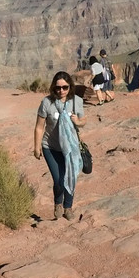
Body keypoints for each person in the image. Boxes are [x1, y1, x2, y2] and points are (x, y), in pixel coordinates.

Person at [33, 71, 85, 220]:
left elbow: (84, 120)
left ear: (70, 87)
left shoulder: (76, 101)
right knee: (59, 179)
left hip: (70, 148)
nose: (61, 91)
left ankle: (68, 207)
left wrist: (78, 121)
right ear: (53, 88)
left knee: (71, 177)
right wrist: (36, 147)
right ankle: (58, 204)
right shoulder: (46, 103)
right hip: (50, 146)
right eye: (58, 88)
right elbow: (39, 127)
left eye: (65, 87)